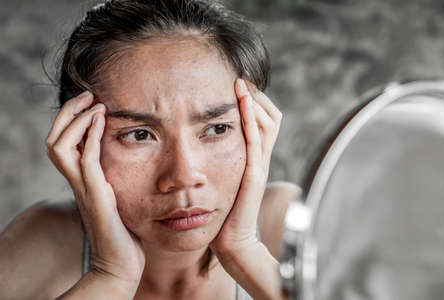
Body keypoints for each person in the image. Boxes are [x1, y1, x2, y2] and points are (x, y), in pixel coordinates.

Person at [0, 0, 301, 299]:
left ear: (258, 129)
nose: (184, 176)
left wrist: (245, 251)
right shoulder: (40, 247)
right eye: (139, 134)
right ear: (79, 143)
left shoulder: (289, 228)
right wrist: (111, 275)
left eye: (217, 129)